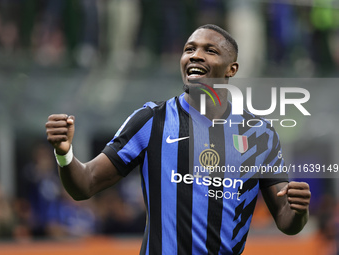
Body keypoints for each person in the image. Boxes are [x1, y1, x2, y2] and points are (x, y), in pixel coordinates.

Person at [45, 24, 311, 255]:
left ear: (232, 69)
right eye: (189, 49)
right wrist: (64, 153)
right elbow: (85, 184)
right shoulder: (151, 120)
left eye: (210, 50)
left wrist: (299, 210)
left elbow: (286, 222)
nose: (195, 55)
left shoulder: (259, 134)